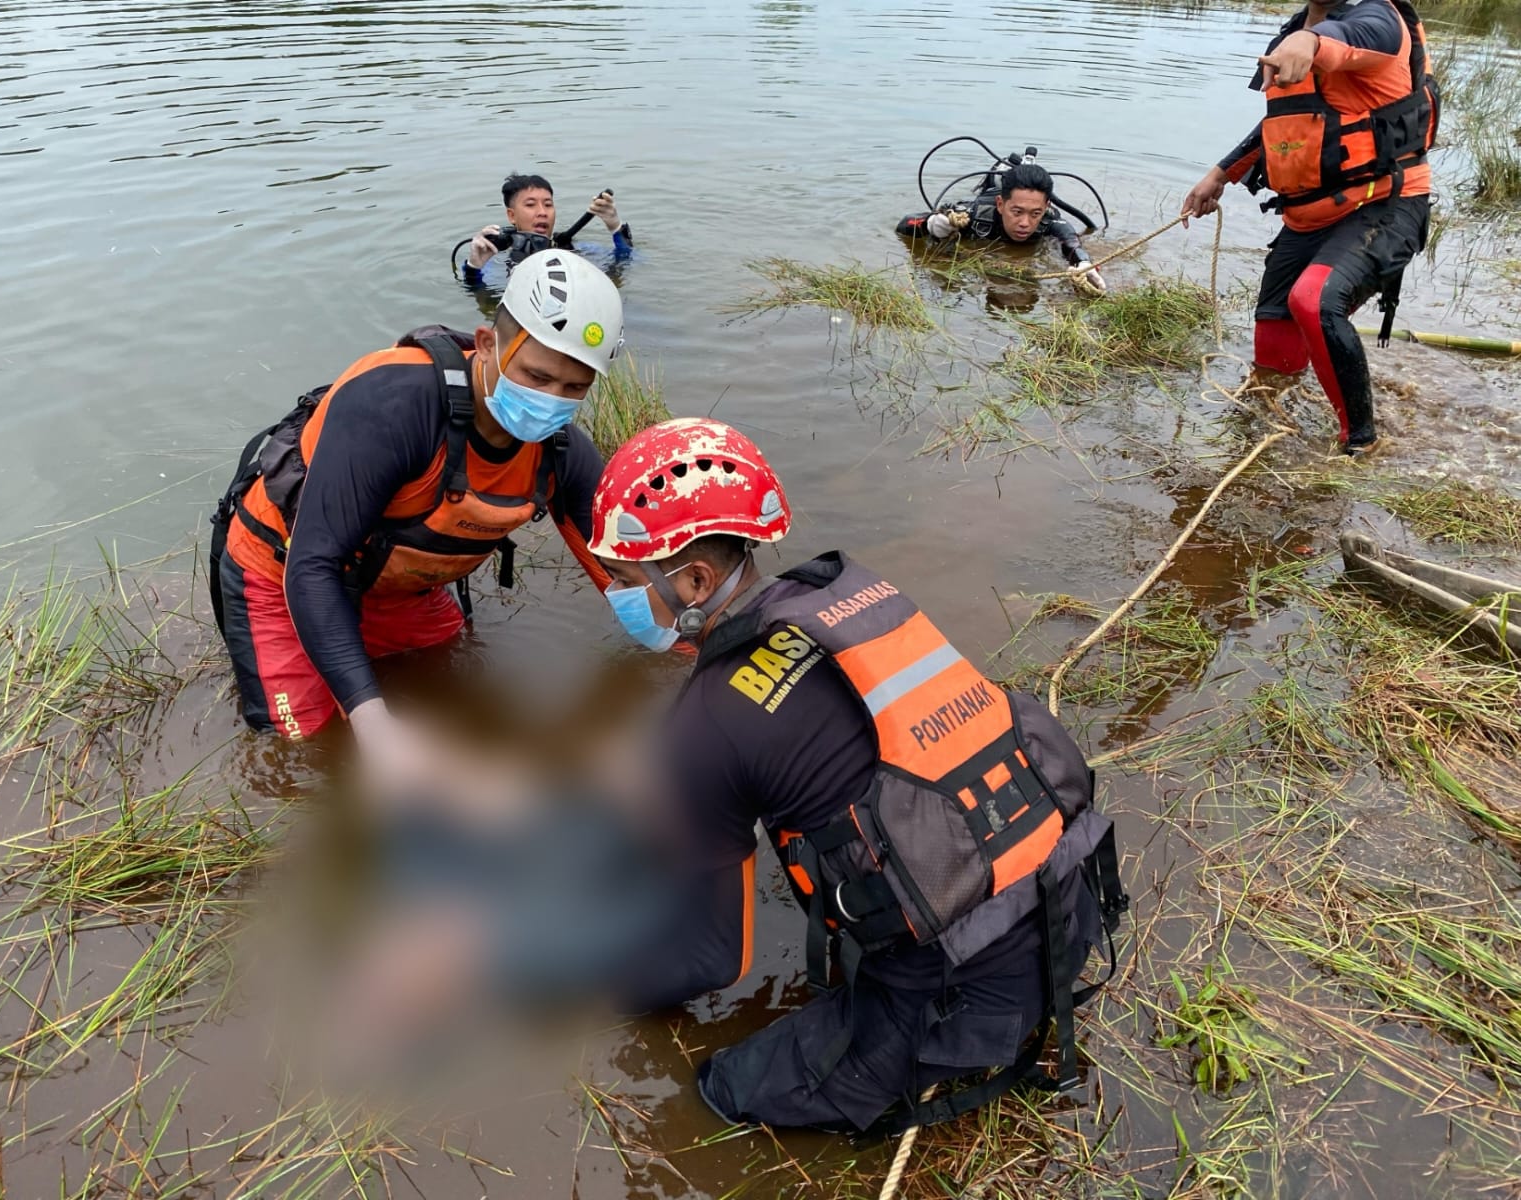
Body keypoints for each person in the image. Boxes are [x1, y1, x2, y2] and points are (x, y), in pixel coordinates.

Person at [588, 418, 1128, 1133]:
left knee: (720, 1092)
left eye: (626, 580)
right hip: (1071, 898)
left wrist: (598, 985)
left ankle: (943, 1039)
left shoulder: (704, 723)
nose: (615, 595)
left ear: (694, 580)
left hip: (976, 990)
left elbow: (715, 961)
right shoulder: (845, 592)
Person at [208, 249, 624, 759]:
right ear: (487, 344)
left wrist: (700, 646)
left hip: (396, 586)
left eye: (575, 387)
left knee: (449, 680)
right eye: (537, 378)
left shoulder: (563, 453)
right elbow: (313, 566)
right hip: (283, 573)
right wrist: (375, 726)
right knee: (306, 754)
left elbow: (629, 575)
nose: (552, 399)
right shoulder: (394, 407)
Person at [1181, 0, 1438, 457]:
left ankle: (1361, 445)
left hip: (1383, 205)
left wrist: (1309, 40)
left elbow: (1346, 41)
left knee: (1314, 300)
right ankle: (1269, 428)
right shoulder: (1290, 33)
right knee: (1273, 348)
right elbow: (1283, 122)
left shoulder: (1379, 20)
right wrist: (1220, 174)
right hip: (1306, 217)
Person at [898, 161, 1107, 296]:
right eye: (1017, 212)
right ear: (1000, 204)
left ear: (1046, 207)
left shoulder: (1049, 222)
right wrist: (930, 225)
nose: (1025, 223)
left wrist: (1083, 263)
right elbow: (904, 225)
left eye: (1035, 213)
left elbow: (1071, 241)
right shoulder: (975, 216)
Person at [457, 173, 633, 290]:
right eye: (530, 205)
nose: (542, 212)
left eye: (548, 204)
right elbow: (480, 294)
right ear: (512, 215)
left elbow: (629, 262)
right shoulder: (496, 262)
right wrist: (473, 267)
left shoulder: (577, 250)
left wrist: (616, 228)